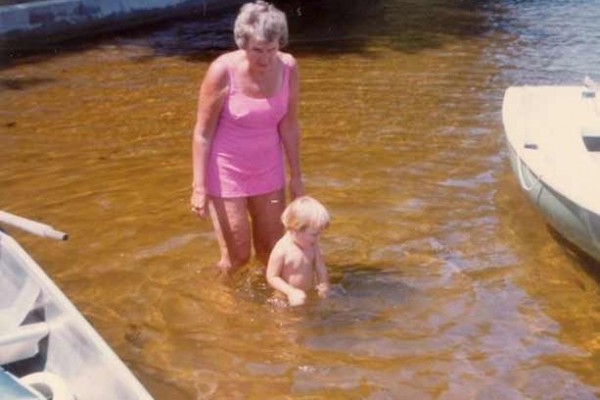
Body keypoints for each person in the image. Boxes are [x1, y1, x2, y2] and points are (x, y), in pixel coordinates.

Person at [190, 1, 304, 274]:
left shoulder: (288, 67)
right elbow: (202, 134)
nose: (265, 59)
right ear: (242, 43)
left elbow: (289, 124)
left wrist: (296, 176)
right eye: (257, 50)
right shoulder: (222, 71)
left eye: (272, 49)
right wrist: (199, 187)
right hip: (227, 171)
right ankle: (224, 309)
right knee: (237, 257)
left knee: (272, 252)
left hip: (269, 169)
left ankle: (269, 308)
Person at [266, 196, 330, 306]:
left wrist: (323, 284)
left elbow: (321, 268)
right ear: (295, 229)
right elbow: (272, 277)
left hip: (307, 293)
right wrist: (290, 292)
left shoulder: (313, 245)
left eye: (320, 233)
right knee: (286, 321)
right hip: (284, 296)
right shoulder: (282, 250)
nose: (318, 238)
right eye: (314, 234)